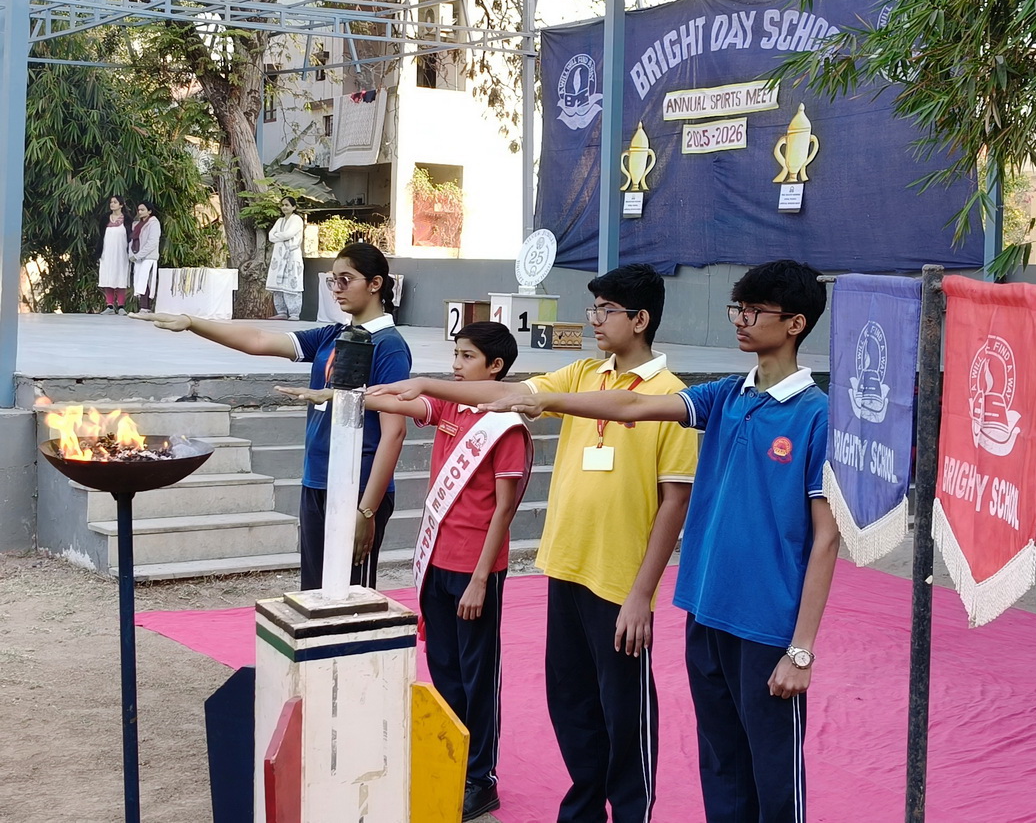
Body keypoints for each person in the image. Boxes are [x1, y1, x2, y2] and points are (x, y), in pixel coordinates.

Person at [475, 259, 840, 823]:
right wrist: (539, 398)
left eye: (754, 311)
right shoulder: (725, 396)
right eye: (737, 309)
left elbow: (825, 538)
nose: (740, 321)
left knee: (772, 772)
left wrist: (801, 649)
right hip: (705, 611)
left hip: (766, 622)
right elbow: (634, 406)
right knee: (721, 763)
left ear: (795, 324)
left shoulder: (817, 416)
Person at [370, 264, 698, 823]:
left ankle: (631, 811)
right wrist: (427, 385)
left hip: (620, 579)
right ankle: (583, 808)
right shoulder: (583, 373)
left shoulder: (672, 398)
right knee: (570, 700)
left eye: (606, 310)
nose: (594, 320)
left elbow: (675, 502)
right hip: (565, 566)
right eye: (594, 308)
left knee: (624, 708)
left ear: (640, 319)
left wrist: (643, 594)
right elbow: (506, 393)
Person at [279, 320, 531, 821]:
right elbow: (399, 401)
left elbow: (505, 509)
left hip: (475, 569)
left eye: (467, 357)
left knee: (478, 674)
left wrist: (481, 578)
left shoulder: (506, 424)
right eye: (455, 355)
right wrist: (336, 397)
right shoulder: (451, 406)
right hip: (437, 560)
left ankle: (481, 777)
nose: (456, 366)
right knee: (445, 666)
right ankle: (451, 755)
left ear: (496, 366)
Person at [134, 243, 410, 590]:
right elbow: (259, 339)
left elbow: (394, 432)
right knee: (315, 591)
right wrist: (192, 322)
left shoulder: (388, 345)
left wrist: (367, 510)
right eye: (332, 281)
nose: (337, 289)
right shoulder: (334, 335)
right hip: (318, 479)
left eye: (346, 280)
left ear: (375, 284)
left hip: (358, 487)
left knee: (350, 596)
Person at [266, 196, 305, 321]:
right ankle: (281, 312)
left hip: (291, 255)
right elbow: (270, 236)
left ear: (294, 207)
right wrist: (281, 236)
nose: (284, 207)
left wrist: (278, 236)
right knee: (277, 284)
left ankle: (294, 313)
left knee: (292, 282)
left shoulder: (297, 219)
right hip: (278, 257)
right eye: (282, 205)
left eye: (287, 205)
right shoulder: (280, 221)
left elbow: (289, 234)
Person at [96, 195, 132, 314]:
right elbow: (101, 235)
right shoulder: (105, 218)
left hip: (121, 253)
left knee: (121, 277)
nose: (112, 204)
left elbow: (130, 236)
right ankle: (109, 306)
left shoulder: (127, 219)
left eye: (115, 202)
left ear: (121, 205)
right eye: (111, 202)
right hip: (107, 252)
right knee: (108, 276)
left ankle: (121, 306)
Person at [129, 201, 161, 313]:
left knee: (145, 280)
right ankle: (143, 307)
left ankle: (146, 307)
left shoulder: (153, 223)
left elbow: (152, 242)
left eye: (142, 210)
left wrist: (139, 255)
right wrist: (132, 254)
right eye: (139, 210)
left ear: (149, 211)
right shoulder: (137, 224)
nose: (140, 212)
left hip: (148, 257)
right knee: (138, 281)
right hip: (137, 256)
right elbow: (133, 240)